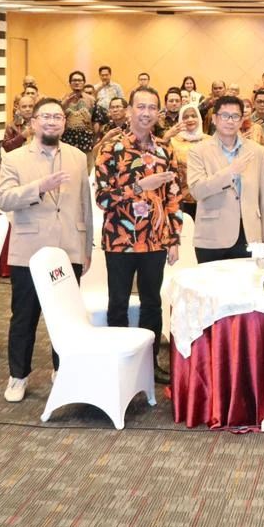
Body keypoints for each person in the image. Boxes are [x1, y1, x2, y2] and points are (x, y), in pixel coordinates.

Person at [0, 97, 93, 403]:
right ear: (34, 122)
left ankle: (61, 368)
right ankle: (18, 376)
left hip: (69, 247)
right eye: (46, 116)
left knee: (65, 316)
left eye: (58, 117)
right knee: (24, 317)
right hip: (29, 249)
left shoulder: (78, 156)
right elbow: (4, 199)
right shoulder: (15, 158)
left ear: (64, 122)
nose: (52, 121)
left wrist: (86, 246)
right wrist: (39, 187)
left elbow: (85, 205)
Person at [94, 86, 182, 382]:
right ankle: (118, 363)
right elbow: (102, 199)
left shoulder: (165, 149)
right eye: (140, 107)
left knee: (152, 304)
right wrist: (140, 187)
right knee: (118, 303)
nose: (146, 113)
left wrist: (174, 238)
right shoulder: (111, 148)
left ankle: (149, 362)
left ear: (159, 113)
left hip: (155, 240)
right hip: (119, 239)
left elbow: (173, 197)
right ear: (130, 110)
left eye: (152, 107)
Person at [187, 95, 264, 261]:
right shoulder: (198, 151)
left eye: (235, 116)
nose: (230, 121)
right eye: (225, 116)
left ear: (241, 121)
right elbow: (197, 191)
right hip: (213, 235)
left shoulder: (257, 151)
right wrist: (230, 172)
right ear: (214, 119)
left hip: (249, 233)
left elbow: (263, 196)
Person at [168, 104, 204, 220]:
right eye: (186, 117)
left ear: (199, 118)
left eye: (193, 116)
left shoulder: (210, 140)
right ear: (180, 120)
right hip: (182, 199)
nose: (190, 119)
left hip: (207, 199)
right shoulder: (173, 141)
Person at [61, 71, 95, 155]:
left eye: (79, 80)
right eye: (74, 80)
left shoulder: (91, 100)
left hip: (86, 139)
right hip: (67, 139)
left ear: (84, 83)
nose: (77, 82)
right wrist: (65, 103)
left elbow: (95, 120)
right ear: (70, 83)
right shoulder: (64, 98)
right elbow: (59, 114)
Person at [93, 65, 124, 133]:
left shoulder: (117, 87)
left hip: (114, 114)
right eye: (102, 75)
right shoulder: (95, 88)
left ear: (110, 75)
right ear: (99, 76)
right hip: (100, 116)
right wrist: (97, 90)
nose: (104, 77)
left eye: (106, 75)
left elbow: (122, 101)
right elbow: (92, 102)